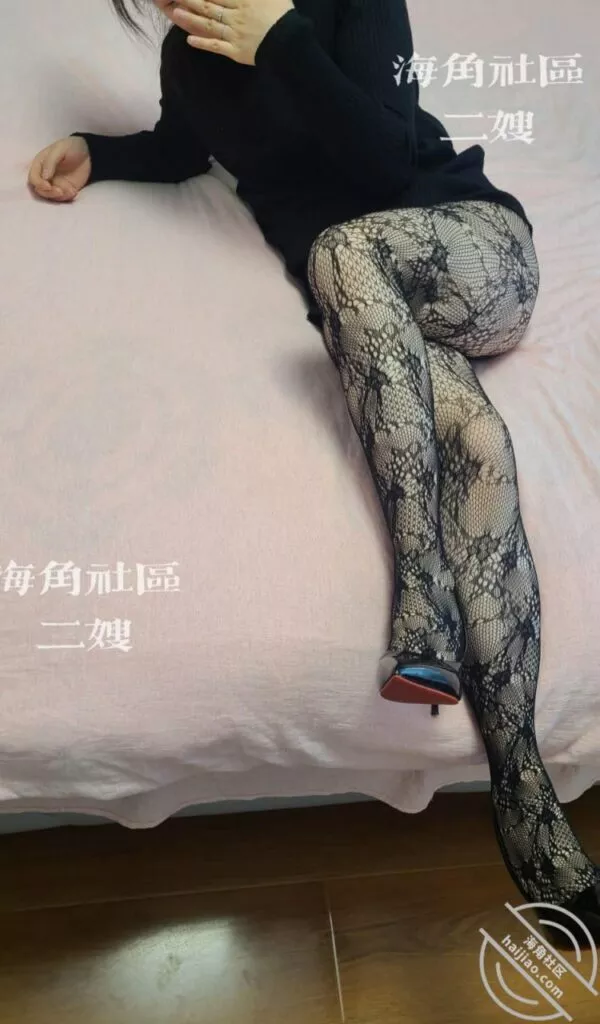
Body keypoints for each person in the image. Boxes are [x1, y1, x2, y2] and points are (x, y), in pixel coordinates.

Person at [28, 0, 600, 940]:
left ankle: (422, 599)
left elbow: (381, 162)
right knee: (476, 446)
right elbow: (182, 148)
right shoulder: (190, 60)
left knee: (341, 246)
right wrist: (99, 150)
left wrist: (283, 44)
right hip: (375, 322)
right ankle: (525, 800)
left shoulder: (346, 6)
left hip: (468, 251)